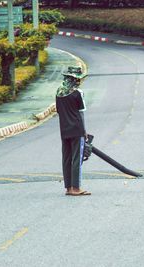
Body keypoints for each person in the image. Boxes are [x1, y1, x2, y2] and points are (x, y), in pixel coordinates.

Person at [56, 66, 91, 196]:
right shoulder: (78, 93)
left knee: (66, 158)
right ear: (75, 79)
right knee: (77, 158)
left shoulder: (58, 92)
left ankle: (68, 188)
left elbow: (59, 111)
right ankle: (76, 188)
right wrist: (84, 131)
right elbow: (81, 114)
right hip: (77, 129)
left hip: (63, 129)